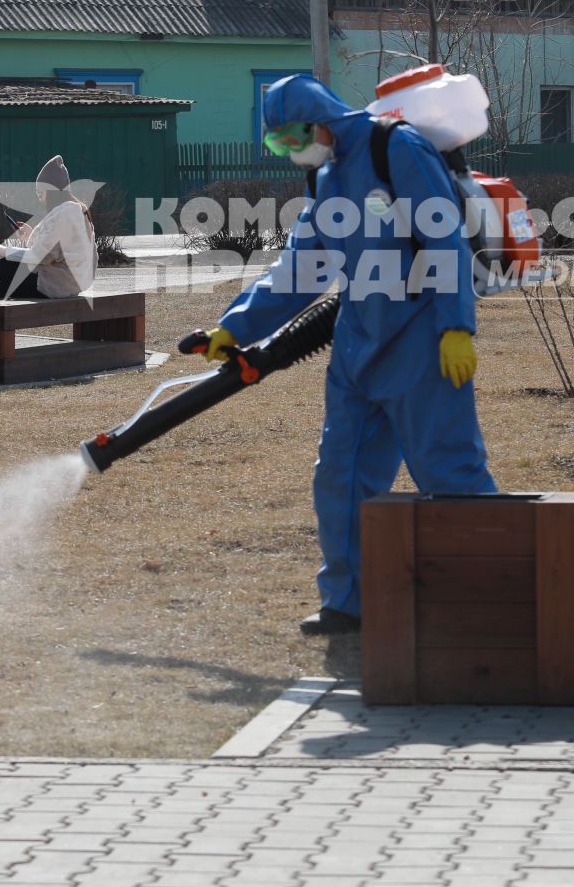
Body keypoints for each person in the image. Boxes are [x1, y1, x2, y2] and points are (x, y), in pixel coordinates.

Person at [195, 73, 494, 636]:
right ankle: (347, 601)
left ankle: (485, 595)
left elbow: (444, 237)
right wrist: (233, 328)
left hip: (422, 339)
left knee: (450, 472)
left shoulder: (395, 147)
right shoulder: (326, 178)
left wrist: (456, 325)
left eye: (291, 140)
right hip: (359, 345)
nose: (289, 153)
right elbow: (303, 268)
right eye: (277, 145)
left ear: (321, 124)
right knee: (342, 473)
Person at [0, 155, 97, 300]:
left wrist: (5, 251)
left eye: (40, 193)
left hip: (50, 285)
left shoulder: (64, 213)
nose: (39, 198)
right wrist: (30, 237)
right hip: (64, 285)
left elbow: (40, 256)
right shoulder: (79, 211)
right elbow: (53, 252)